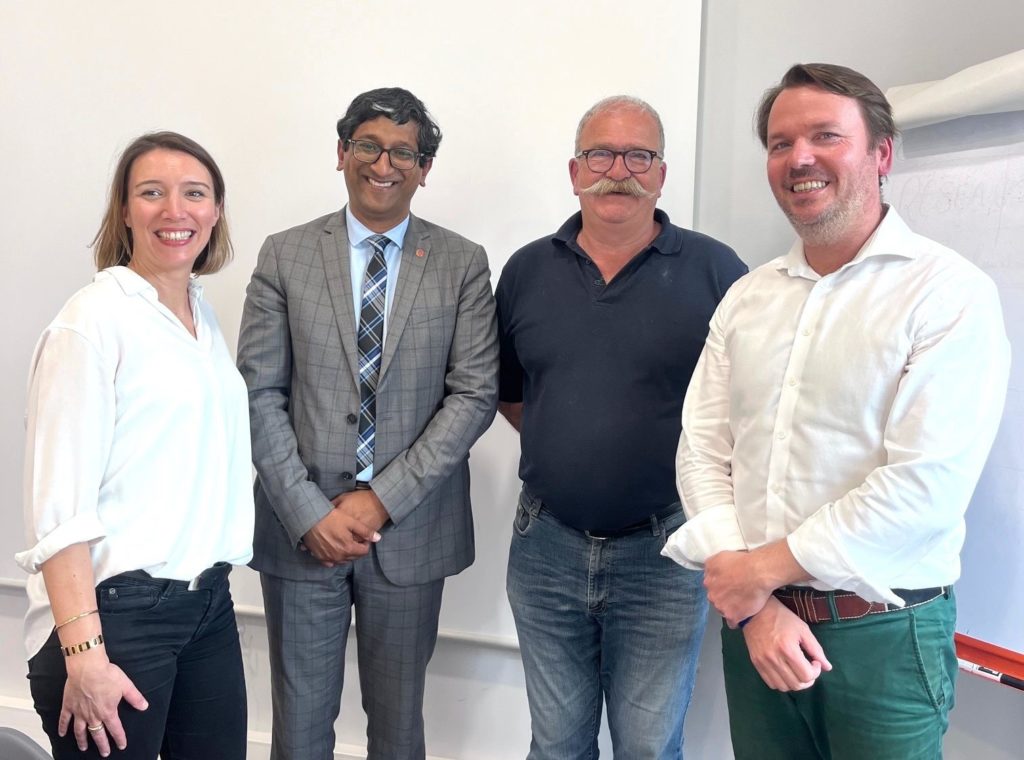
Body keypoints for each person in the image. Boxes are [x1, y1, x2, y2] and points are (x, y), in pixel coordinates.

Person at [663, 63, 1011, 759]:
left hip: (884, 637)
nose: (800, 158)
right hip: (761, 630)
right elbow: (702, 449)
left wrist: (757, 574)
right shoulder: (749, 298)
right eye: (780, 142)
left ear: (880, 155)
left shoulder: (948, 294)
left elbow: (924, 488)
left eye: (826, 136)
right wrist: (757, 606)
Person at [237, 87, 498, 760]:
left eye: (403, 152)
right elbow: (258, 391)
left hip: (409, 532)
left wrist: (380, 498)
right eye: (368, 146)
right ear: (341, 153)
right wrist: (307, 512)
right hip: (303, 532)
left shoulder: (462, 264)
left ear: (423, 168)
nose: (384, 164)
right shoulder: (285, 255)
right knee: (298, 731)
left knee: (398, 726)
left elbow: (473, 396)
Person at [496, 95, 747, 759]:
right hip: (545, 548)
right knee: (555, 745)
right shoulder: (526, 271)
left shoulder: (718, 272)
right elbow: (512, 394)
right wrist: (580, 451)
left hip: (665, 553)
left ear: (662, 175)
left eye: (640, 156)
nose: (620, 171)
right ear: (574, 171)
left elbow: (751, 412)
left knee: (647, 747)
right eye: (601, 154)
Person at [17, 131, 255, 760]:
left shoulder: (200, 320)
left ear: (216, 210)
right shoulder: (92, 321)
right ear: (125, 211)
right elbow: (59, 507)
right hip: (116, 616)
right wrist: (84, 655)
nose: (175, 211)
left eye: (194, 194)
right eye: (152, 193)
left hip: (208, 604)